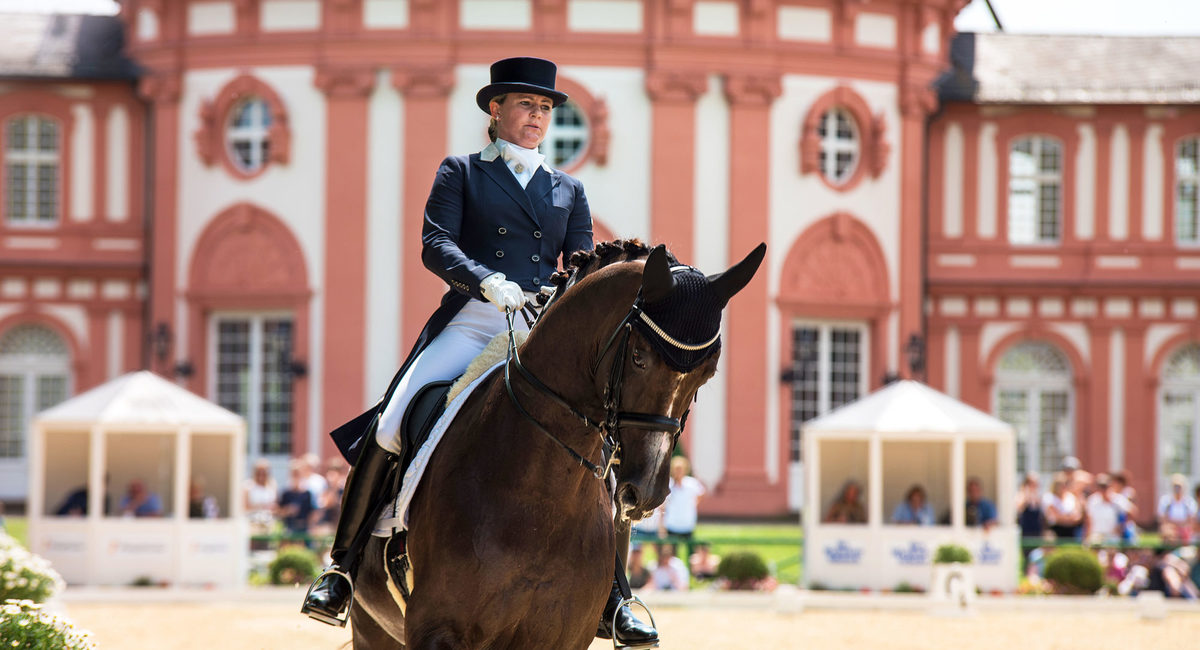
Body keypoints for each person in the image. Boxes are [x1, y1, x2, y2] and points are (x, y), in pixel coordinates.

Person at [302, 57, 656, 644]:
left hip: (541, 328)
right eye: (526, 105)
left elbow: (580, 265)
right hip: (472, 320)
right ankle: (341, 569)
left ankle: (616, 596)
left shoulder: (568, 189)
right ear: (496, 110)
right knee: (393, 420)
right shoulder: (462, 171)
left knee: (606, 440)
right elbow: (434, 242)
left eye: (545, 108)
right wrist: (485, 280)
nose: (538, 117)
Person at [662, 456, 706, 556]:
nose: (678, 472)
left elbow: (701, 493)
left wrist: (694, 504)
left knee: (692, 553)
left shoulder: (691, 483)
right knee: (673, 554)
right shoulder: (669, 484)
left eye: (680, 469)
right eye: (676, 469)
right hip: (672, 524)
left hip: (688, 524)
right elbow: (663, 505)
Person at [278, 460, 317, 537]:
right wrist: (287, 510)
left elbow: (313, 512)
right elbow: (279, 512)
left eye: (298, 474)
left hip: (304, 529)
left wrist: (311, 526)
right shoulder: (286, 493)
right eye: (294, 474)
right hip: (289, 528)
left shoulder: (307, 493)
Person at [1157, 474, 1197, 543]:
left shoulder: (1189, 502)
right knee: (1167, 533)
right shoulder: (1165, 501)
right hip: (1170, 530)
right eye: (1175, 486)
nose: (1177, 489)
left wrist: (1180, 527)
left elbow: (1191, 521)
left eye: (1179, 486)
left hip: (1184, 530)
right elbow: (1163, 520)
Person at [243, 459, 279, 536]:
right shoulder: (248, 486)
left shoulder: (272, 486)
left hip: (268, 523)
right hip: (252, 523)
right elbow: (244, 506)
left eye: (264, 472)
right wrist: (262, 506)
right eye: (259, 472)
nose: (261, 475)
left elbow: (275, 506)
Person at [1043, 472, 1083, 540]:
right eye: (1060, 485)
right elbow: (1055, 516)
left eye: (1065, 484)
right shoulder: (1049, 497)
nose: (1063, 487)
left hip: (1071, 531)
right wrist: (1069, 518)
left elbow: (1077, 516)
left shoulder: (1071, 497)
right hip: (1056, 530)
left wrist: (1065, 518)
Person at [1015, 472, 1044, 539]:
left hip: (1036, 530)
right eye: (1032, 483)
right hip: (1025, 529)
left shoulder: (1038, 497)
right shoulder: (1021, 495)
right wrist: (1027, 497)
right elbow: (1019, 508)